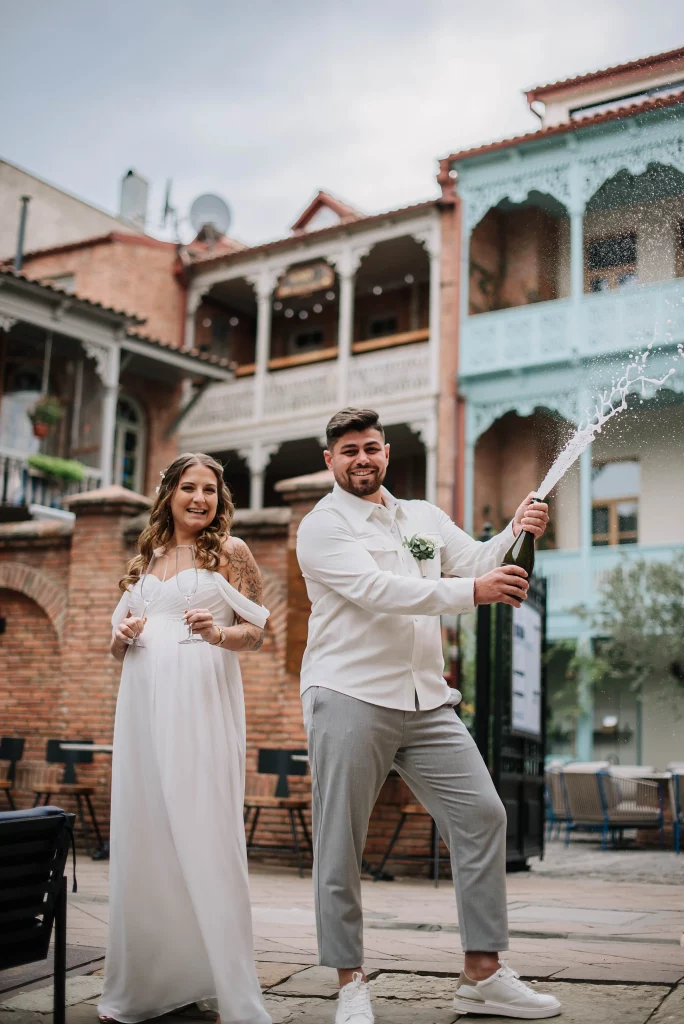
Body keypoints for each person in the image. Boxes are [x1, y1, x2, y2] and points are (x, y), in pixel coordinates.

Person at [296, 408, 561, 1023]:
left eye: (371, 448)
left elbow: (476, 560)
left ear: (386, 452)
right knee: (340, 843)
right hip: (349, 694)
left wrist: (519, 529)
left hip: (425, 698)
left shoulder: (422, 516)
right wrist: (472, 593)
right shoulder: (322, 526)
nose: (361, 459)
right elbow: (378, 591)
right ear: (329, 461)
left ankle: (483, 975)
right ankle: (350, 984)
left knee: (483, 816)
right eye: (348, 451)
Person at [98, 453, 272, 1024]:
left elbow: (258, 633)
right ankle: (154, 982)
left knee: (200, 830)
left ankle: (223, 980)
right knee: (146, 831)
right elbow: (115, 646)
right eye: (190, 488)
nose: (201, 499)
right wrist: (121, 635)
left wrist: (219, 632)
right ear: (168, 492)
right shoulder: (144, 556)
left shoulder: (231, 552)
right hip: (143, 706)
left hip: (200, 703)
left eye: (211, 491)